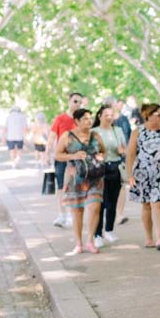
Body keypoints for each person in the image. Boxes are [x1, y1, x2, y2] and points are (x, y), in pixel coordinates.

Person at [54, 109, 106, 255]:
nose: (89, 121)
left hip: (95, 177)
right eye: (85, 119)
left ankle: (90, 241)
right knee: (77, 211)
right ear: (76, 121)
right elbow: (58, 155)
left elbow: (103, 150)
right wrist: (74, 155)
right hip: (75, 178)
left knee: (95, 207)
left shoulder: (95, 135)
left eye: (90, 118)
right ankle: (78, 243)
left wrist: (101, 156)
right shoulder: (67, 136)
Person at [126, 103, 160, 250]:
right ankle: (149, 238)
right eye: (158, 114)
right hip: (143, 172)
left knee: (158, 203)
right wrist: (130, 174)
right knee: (147, 205)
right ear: (148, 116)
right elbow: (130, 154)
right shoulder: (137, 132)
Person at [47, 93, 85, 228]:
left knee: (73, 188)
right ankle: (61, 215)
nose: (77, 104)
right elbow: (51, 137)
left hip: (77, 159)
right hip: (61, 158)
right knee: (61, 188)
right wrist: (47, 154)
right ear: (69, 101)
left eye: (80, 102)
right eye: (75, 101)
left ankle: (70, 215)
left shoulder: (81, 120)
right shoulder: (60, 118)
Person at [92, 104, 127, 249]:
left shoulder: (117, 130)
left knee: (113, 201)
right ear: (99, 116)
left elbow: (125, 149)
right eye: (106, 115)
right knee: (100, 203)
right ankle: (97, 234)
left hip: (116, 167)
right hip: (101, 169)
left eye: (111, 115)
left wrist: (122, 151)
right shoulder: (94, 131)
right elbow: (91, 150)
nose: (109, 118)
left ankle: (109, 230)